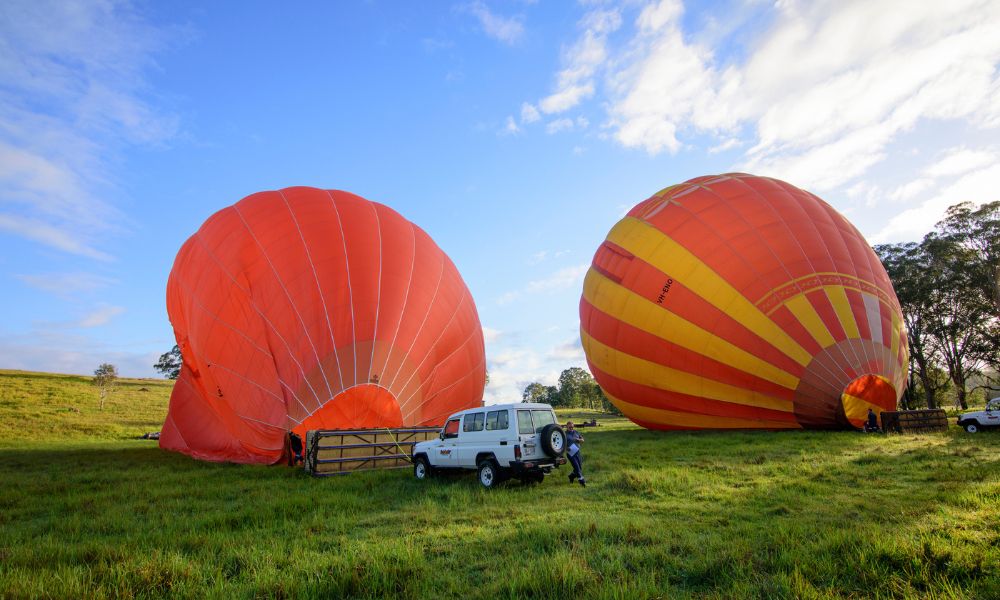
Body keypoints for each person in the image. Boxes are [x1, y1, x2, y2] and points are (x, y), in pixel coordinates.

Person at [565, 421, 586, 487]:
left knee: (579, 467)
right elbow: (561, 444)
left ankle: (571, 476)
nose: (571, 428)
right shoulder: (564, 434)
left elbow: (582, 440)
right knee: (577, 467)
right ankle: (582, 481)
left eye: (572, 427)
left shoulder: (576, 432)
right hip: (570, 453)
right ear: (567, 427)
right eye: (570, 427)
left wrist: (580, 440)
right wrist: (566, 448)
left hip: (577, 451)